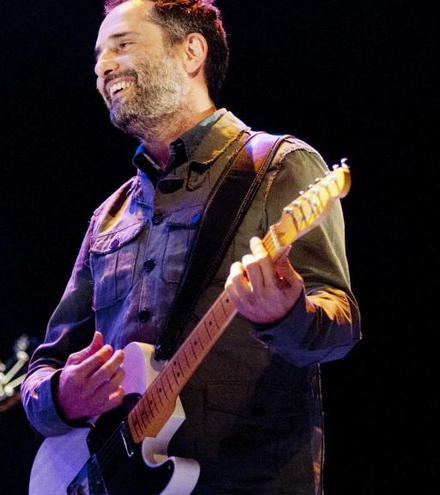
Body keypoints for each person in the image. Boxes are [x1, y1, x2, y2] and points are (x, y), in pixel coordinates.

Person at [21, 1, 360, 493]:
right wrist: (62, 396)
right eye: (97, 56)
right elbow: (43, 368)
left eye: (122, 45)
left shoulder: (276, 167)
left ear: (191, 51)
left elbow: (340, 327)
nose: (102, 66)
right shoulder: (109, 215)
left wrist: (285, 313)